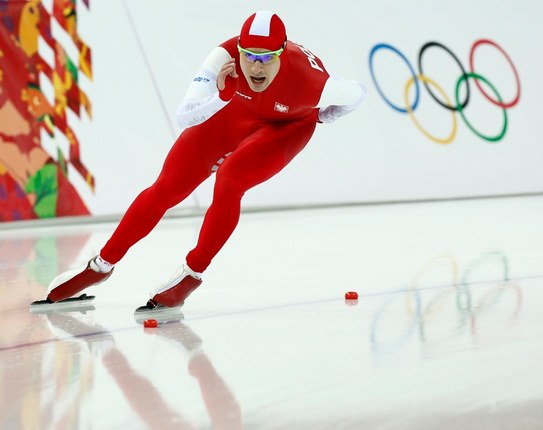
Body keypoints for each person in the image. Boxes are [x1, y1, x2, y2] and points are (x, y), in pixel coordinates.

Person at [33, 11, 366, 314]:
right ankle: (100, 266)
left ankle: (192, 274)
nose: (256, 67)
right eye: (249, 56)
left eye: (266, 59)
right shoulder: (224, 56)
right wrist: (222, 95)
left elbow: (357, 94)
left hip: (286, 126)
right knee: (166, 187)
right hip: (234, 111)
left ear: (281, 55)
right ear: (239, 49)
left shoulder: (312, 81)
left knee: (230, 179)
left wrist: (323, 116)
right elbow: (185, 116)